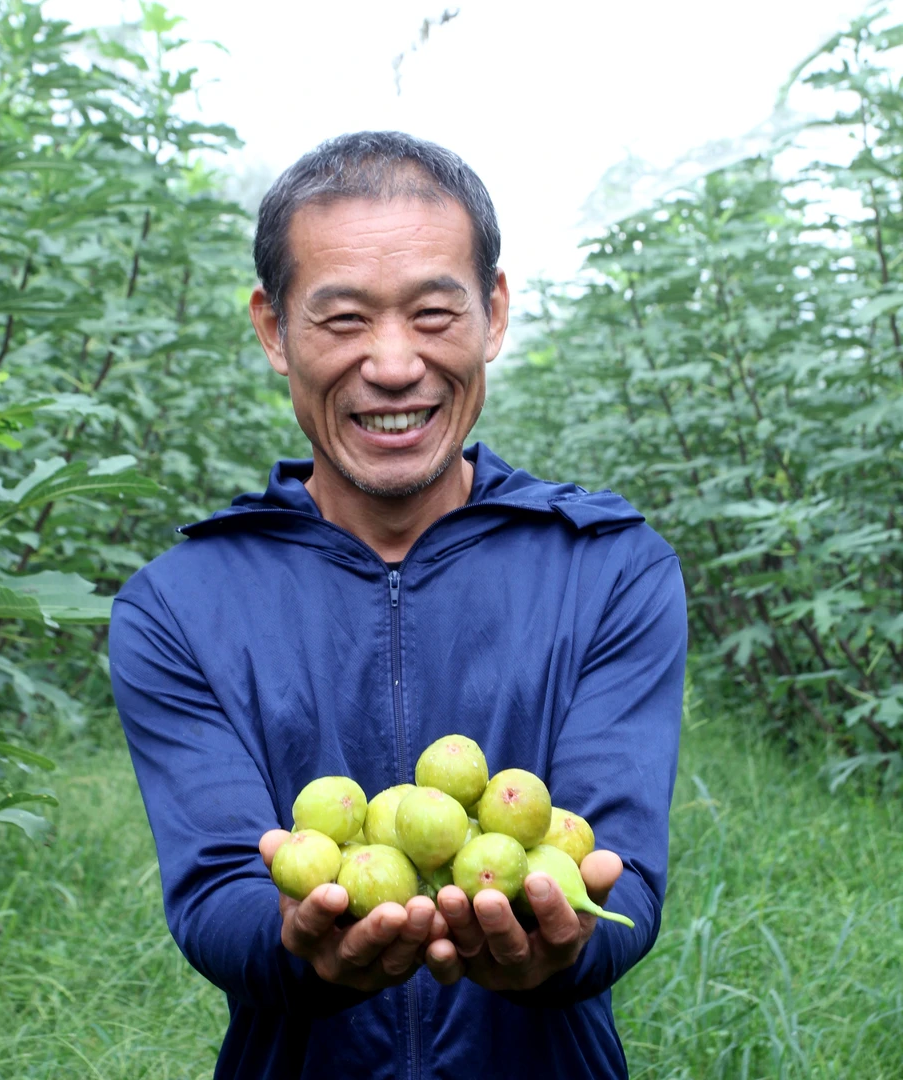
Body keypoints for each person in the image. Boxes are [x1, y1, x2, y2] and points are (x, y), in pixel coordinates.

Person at [109, 130, 687, 1080]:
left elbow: (623, 878)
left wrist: (562, 948)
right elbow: (217, 897)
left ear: (493, 313)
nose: (392, 363)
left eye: (432, 312)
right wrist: (306, 945)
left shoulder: (611, 571)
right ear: (272, 328)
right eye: (341, 321)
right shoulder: (179, 606)